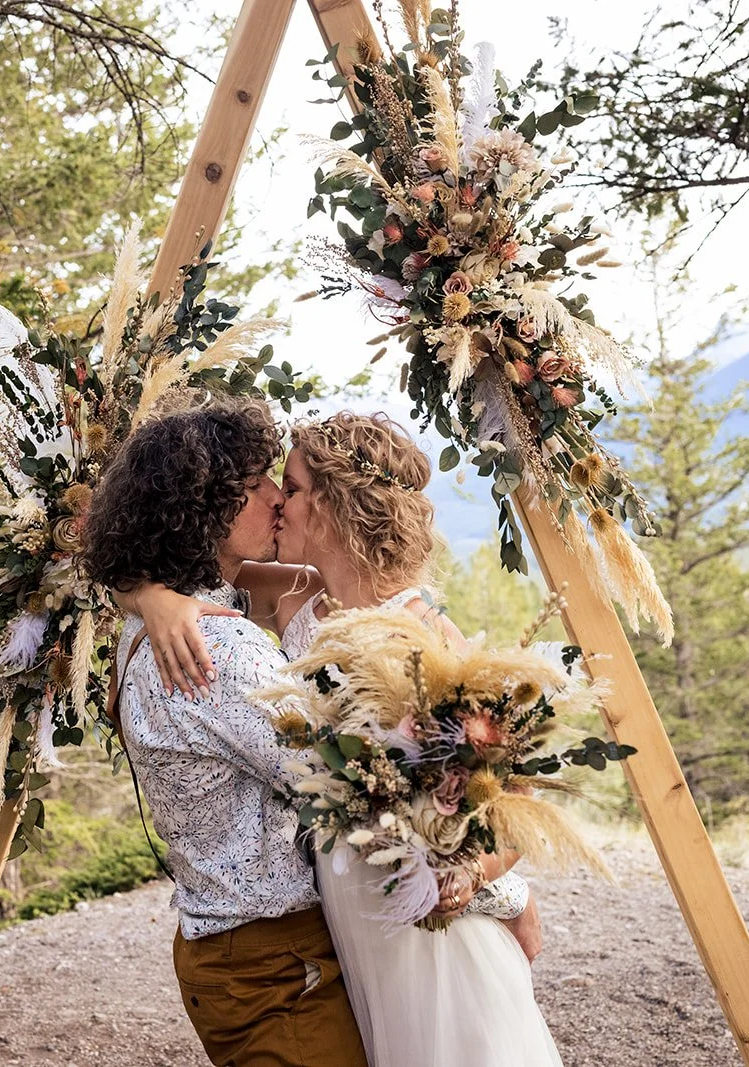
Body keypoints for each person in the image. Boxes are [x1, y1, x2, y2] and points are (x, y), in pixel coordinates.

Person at [128, 411, 565, 1067]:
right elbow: (164, 557)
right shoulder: (297, 599)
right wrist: (149, 598)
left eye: (293, 486)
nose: (278, 499)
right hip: (345, 921)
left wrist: (487, 880)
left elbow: (515, 800)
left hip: (422, 928)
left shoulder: (425, 640)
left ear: (331, 509)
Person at [80, 398, 368, 1067]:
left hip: (230, 951)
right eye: (253, 486)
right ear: (201, 512)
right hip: (275, 961)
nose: (274, 498)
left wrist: (140, 590)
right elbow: (352, 778)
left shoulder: (155, 625)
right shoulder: (216, 650)